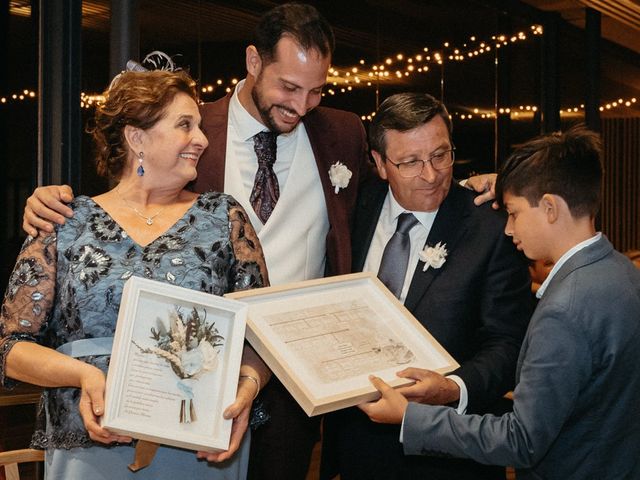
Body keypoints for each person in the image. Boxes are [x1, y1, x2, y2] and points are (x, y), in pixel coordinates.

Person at [18, 4, 499, 477]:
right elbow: (125, 192)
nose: (301, 105)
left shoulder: (343, 133)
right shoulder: (194, 127)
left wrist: (481, 188)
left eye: (315, 91)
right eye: (288, 86)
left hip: (295, 383)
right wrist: (49, 199)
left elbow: (401, 187)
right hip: (191, 384)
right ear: (253, 62)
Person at [0, 68, 271, 479]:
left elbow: (263, 334)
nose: (201, 139)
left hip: (199, 442)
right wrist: (84, 374)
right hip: (90, 442)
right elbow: (11, 346)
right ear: (136, 138)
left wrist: (247, 388)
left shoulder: (223, 217)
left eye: (198, 126)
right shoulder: (65, 222)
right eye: (185, 125)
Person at [359, 124, 640, 479]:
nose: (508, 229)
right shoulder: (622, 272)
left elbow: (522, 439)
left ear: (550, 208)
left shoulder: (563, 310)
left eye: (514, 212)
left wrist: (411, 418)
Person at [321, 92, 533, 479]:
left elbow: (509, 343)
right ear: (380, 164)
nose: (432, 174)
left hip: (448, 452)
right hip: (357, 444)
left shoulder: (490, 227)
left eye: (441, 154)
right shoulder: (353, 210)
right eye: (410, 162)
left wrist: (453, 389)